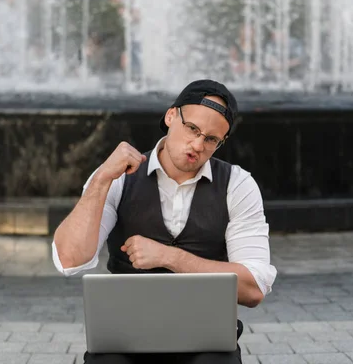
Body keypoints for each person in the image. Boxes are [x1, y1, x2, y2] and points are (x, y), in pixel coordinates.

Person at [53, 79, 278, 364]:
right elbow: (69, 260)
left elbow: (254, 289)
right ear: (171, 116)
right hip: (125, 337)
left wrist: (169, 257)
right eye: (192, 129)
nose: (197, 144)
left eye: (211, 139)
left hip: (205, 339)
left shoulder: (238, 184)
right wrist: (100, 180)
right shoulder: (118, 176)